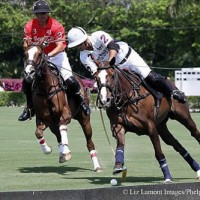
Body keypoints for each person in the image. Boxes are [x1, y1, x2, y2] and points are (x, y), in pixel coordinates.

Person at [67, 27, 186, 104]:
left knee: (151, 77)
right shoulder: (83, 56)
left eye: (80, 44)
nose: (79, 47)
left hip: (128, 58)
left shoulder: (98, 35)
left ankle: (174, 92)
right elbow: (95, 72)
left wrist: (110, 60)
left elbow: (114, 47)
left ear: (84, 38)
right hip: (113, 69)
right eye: (76, 46)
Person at [18, 1, 90, 121]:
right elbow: (26, 43)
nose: (43, 15)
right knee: (27, 81)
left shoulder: (56, 26)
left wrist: (49, 55)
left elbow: (61, 45)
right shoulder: (29, 26)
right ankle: (30, 109)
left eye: (45, 13)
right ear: (36, 14)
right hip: (37, 57)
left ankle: (81, 102)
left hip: (57, 56)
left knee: (70, 80)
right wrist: (34, 48)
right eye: (39, 13)